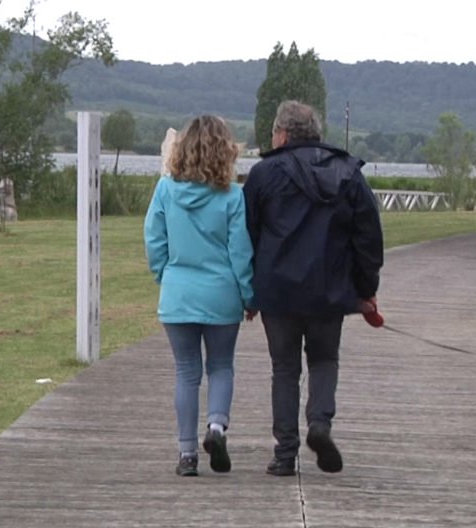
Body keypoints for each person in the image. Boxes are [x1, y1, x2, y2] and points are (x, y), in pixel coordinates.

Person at [243, 100, 384, 476]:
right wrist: (366, 289)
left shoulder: (263, 174)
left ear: (283, 134)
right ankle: (320, 424)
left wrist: (250, 290)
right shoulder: (348, 173)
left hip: (278, 291)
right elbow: (369, 237)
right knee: (324, 360)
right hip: (330, 290)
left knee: (284, 369)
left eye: (273, 132)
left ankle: (284, 454)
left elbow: (248, 236)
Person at [144, 115, 255, 477]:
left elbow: (154, 241)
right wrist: (248, 294)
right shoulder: (233, 196)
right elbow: (240, 251)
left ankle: (187, 454)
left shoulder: (164, 190)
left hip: (178, 293)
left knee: (186, 372)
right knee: (221, 365)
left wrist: (165, 274)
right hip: (221, 293)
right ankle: (217, 427)